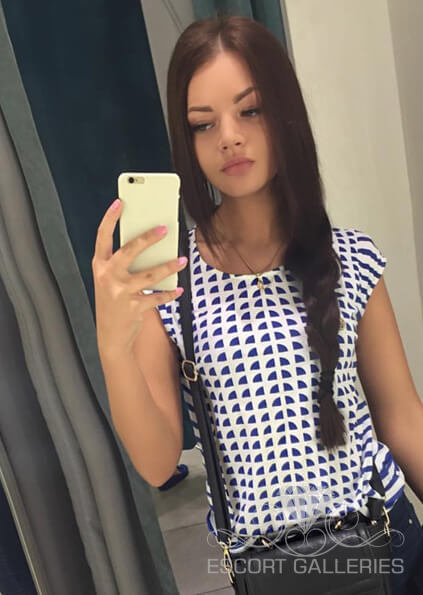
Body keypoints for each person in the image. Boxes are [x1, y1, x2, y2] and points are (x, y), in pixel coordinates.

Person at [92, 13, 423, 595]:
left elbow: (402, 419)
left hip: (385, 539)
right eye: (203, 123)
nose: (228, 136)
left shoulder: (351, 258)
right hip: (271, 569)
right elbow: (157, 462)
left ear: (285, 114)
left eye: (250, 110)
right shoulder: (172, 284)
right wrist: (113, 344)